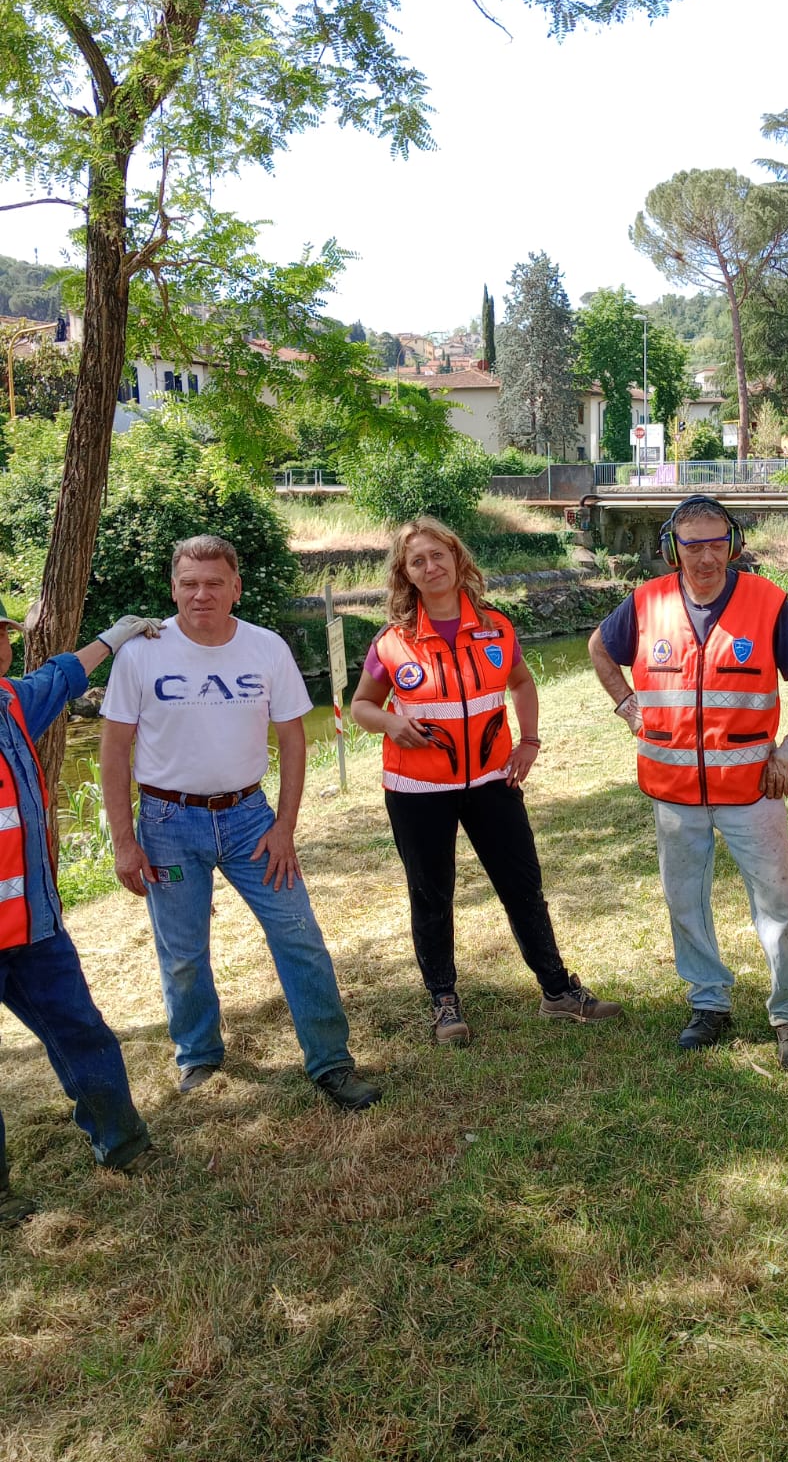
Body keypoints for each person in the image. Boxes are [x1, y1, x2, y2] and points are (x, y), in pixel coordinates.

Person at [99, 536, 381, 1112]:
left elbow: (294, 741)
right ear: (173, 587)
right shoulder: (141, 654)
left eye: (212, 583)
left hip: (251, 818)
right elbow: (114, 751)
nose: (199, 594)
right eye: (187, 583)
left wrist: (285, 826)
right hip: (167, 820)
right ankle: (199, 1055)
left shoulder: (265, 648)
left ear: (236, 588)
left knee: (299, 936)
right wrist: (124, 843)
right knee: (182, 951)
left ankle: (331, 1062)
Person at [349, 516, 621, 1046]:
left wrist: (530, 741)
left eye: (438, 556)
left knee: (522, 886)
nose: (430, 567)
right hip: (417, 790)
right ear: (405, 574)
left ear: (457, 559)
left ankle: (557, 992)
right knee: (432, 895)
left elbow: (521, 681)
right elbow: (361, 705)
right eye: (417, 561)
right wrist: (390, 722)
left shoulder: (496, 626)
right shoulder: (393, 641)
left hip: (493, 781)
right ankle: (444, 1001)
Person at [588, 495, 788, 1063]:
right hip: (674, 792)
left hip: (752, 788)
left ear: (734, 543)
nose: (706, 556)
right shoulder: (646, 602)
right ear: (674, 548)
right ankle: (709, 1003)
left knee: (777, 901)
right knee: (684, 900)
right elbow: (600, 647)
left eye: (717, 541)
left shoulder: (767, 602)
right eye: (692, 544)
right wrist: (626, 705)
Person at [1, 603, 160, 1226]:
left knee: (81, 1031)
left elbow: (61, 676)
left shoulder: (12, 702)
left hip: (35, 928)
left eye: (4, 637)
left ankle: (122, 1142)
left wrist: (111, 640)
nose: (3, 648)